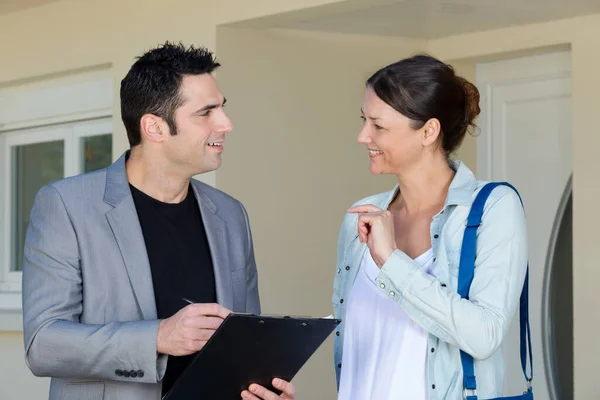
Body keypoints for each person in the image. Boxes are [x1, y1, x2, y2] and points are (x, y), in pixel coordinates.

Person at [22, 42, 295, 400]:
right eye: (206, 113)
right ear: (154, 127)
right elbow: (43, 343)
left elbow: (243, 342)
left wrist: (261, 387)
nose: (226, 124)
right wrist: (159, 336)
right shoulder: (65, 206)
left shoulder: (230, 214)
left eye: (222, 109)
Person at [332, 54, 528, 399]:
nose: (363, 136)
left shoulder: (492, 208)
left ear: (428, 131)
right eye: (363, 120)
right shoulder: (362, 218)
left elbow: (485, 335)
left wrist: (391, 261)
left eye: (378, 125)